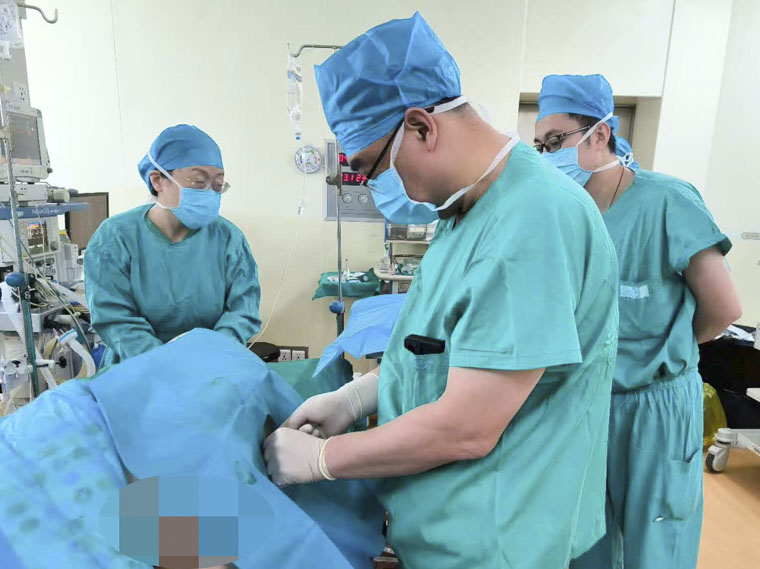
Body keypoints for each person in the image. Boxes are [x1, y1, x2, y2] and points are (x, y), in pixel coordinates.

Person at [264, 13, 620, 568]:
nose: (373, 188)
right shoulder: (465, 209)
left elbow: (466, 429)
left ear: (422, 127)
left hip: (498, 536)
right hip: (447, 522)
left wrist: (324, 459)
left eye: (370, 169)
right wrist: (359, 395)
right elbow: (441, 349)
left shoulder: (531, 220)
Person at [534, 74, 742, 569]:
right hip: (588, 403)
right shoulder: (567, 214)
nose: (548, 155)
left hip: (657, 408)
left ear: (600, 134)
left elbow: (724, 308)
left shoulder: (667, 201)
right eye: (541, 146)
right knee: (587, 543)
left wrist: (667, 348)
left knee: (656, 547)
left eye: (557, 141)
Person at [84, 124, 261, 366]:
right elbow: (115, 318)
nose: (210, 193)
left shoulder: (228, 238)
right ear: (158, 180)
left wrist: (212, 353)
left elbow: (243, 311)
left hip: (210, 366)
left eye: (218, 186)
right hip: (137, 369)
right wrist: (166, 364)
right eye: (198, 181)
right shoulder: (115, 238)